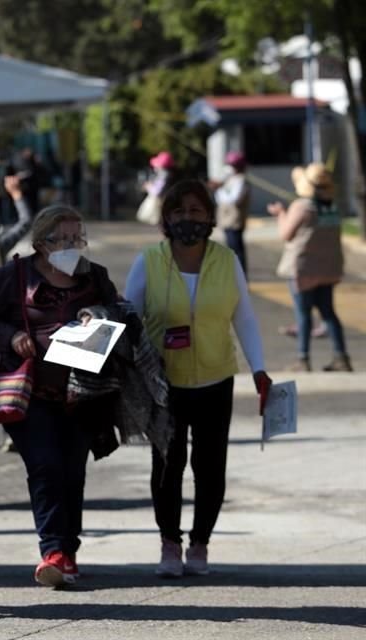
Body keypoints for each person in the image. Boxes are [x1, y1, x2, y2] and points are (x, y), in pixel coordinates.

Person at [124, 180, 271, 577]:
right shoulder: (149, 261)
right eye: (178, 212)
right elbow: (126, 318)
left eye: (195, 211)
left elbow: (244, 317)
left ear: (209, 216)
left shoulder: (227, 260)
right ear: (166, 218)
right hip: (163, 381)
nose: (187, 219)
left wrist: (259, 369)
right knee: (168, 465)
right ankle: (169, 544)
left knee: (210, 467)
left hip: (215, 378)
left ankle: (200, 542)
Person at [0, 205, 119, 587]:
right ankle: (53, 550)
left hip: (80, 393)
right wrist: (11, 336)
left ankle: (67, 551)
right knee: (45, 466)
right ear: (42, 243)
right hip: (31, 393)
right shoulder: (14, 276)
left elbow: (119, 312)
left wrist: (98, 313)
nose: (74, 245)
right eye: (64, 238)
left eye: (78, 237)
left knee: (73, 470)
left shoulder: (94, 277)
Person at [268, 163, 353, 372]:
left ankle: (303, 359)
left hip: (303, 268)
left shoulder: (302, 206)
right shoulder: (332, 207)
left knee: (303, 314)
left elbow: (285, 235)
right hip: (328, 268)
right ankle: (341, 356)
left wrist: (280, 214)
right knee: (328, 313)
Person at [213, 151, 251, 275]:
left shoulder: (241, 181)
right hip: (226, 220)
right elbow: (220, 199)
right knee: (230, 249)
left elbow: (234, 199)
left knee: (236, 251)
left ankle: (241, 277)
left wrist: (220, 189)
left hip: (235, 221)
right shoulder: (230, 179)